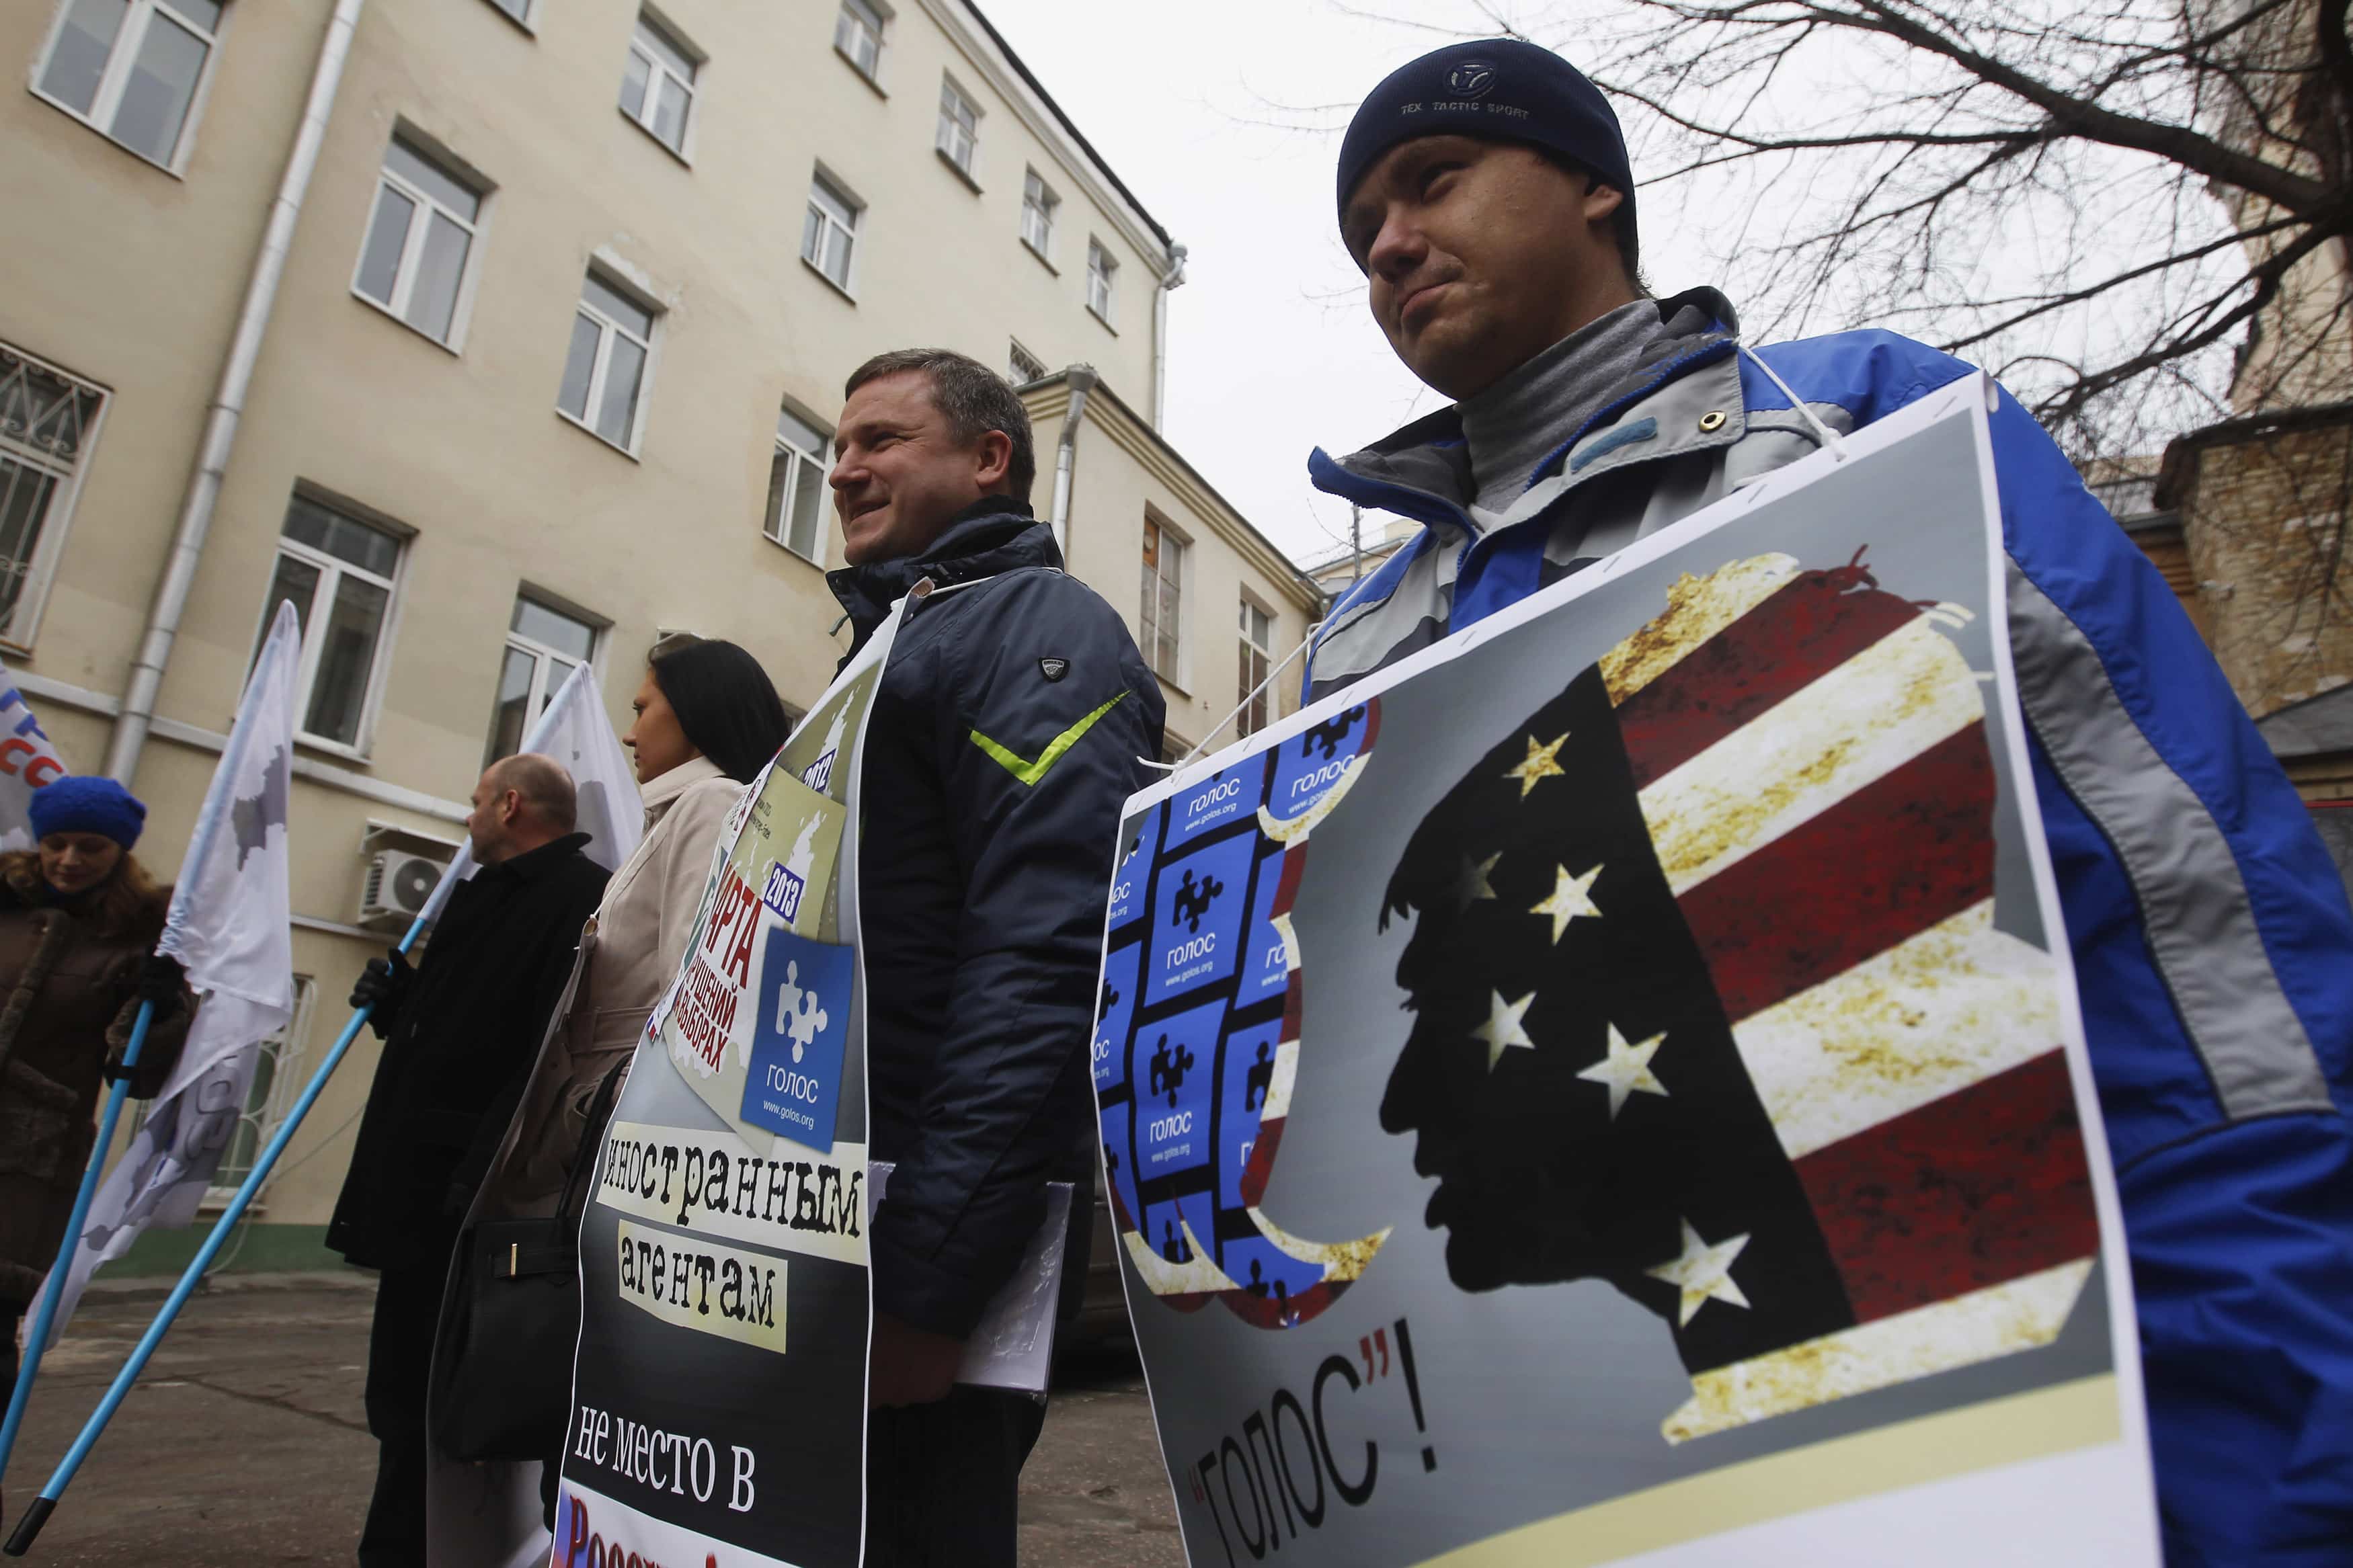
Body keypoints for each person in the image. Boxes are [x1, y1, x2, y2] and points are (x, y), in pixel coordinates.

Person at [1313, 38, 2353, 1563]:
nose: (1391, 244)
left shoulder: (1857, 429)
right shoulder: (1358, 643)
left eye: (1431, 180)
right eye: (1362, 236)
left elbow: (2175, 900)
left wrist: (2266, 1394)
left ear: (1594, 181)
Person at [826, 347, 1164, 1563]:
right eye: (840, 442)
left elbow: (1042, 964)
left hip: (914, 1262)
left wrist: (928, 1287)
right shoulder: (890, 645)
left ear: (987, 458)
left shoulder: (1037, 627)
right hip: (829, 1228)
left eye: (880, 439)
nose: (843, 465)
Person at [327, 753, 609, 1568]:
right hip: (420, 1192)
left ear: (511, 804)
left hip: (468, 1202)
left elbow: (536, 1054)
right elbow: (459, 1037)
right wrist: (401, 1006)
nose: (468, 816)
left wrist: (475, 1180)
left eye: (477, 801)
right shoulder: (479, 896)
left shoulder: (574, 898)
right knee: (399, 1400)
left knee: (442, 1409)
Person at [0, 777, 191, 1397]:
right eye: (56, 843)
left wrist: (159, 1014)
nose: (69, 860)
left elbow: (139, 1076)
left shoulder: (140, 940)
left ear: (121, 853)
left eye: (90, 847)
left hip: (27, 1167)